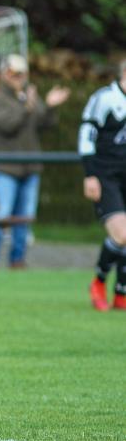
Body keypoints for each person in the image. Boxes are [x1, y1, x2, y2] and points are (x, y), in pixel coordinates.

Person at [0, 54, 70, 269]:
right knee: (2, 215)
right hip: (6, 168)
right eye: (14, 73)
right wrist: (27, 107)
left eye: (21, 74)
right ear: (4, 74)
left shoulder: (28, 97)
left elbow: (46, 124)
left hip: (30, 167)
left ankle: (17, 260)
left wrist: (49, 106)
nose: (18, 78)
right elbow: (7, 125)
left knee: (24, 218)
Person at [80, 59, 126, 311]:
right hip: (107, 176)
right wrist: (90, 175)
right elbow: (87, 134)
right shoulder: (105, 98)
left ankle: (121, 292)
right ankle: (98, 282)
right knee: (122, 234)